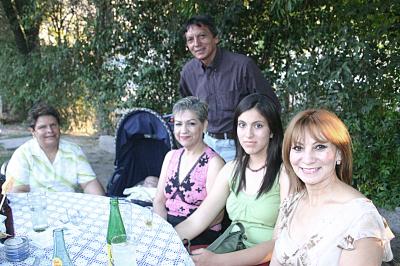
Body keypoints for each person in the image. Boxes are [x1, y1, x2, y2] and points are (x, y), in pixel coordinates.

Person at [175, 93, 289, 265]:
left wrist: (218, 261)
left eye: (258, 126)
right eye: (242, 125)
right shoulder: (231, 169)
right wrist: (160, 240)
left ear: (272, 131)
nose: (248, 134)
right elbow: (197, 220)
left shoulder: (285, 173)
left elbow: (278, 244)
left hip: (266, 260)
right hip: (230, 249)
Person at [270, 109, 394, 265]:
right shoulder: (291, 204)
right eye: (298, 148)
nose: (307, 159)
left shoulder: (361, 219)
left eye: (320, 147)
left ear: (339, 154)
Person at [179, 14, 281, 162]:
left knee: (240, 185)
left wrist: (264, 142)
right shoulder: (188, 72)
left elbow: (271, 105)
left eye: (202, 36)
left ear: (215, 38)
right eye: (190, 40)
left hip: (240, 145)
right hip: (207, 144)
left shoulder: (242, 66)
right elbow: (188, 109)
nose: (196, 43)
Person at [153, 96, 225, 245]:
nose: (183, 130)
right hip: (168, 225)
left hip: (200, 233)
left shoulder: (214, 163)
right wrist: (161, 229)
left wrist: (170, 238)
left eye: (191, 124)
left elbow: (217, 216)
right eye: (178, 124)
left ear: (204, 125)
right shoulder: (171, 156)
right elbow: (159, 201)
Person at [5, 103, 105, 195]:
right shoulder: (23, 155)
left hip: (68, 208)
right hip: (34, 209)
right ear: (33, 131)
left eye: (53, 125)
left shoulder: (73, 151)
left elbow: (89, 183)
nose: (50, 130)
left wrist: (102, 204)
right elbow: (18, 191)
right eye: (42, 127)